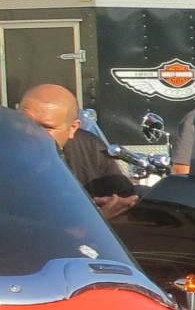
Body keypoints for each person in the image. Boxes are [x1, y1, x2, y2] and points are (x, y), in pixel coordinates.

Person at [16, 83, 139, 218]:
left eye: (45, 127)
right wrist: (94, 220)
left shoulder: (90, 150)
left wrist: (116, 206)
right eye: (23, 121)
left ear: (73, 128)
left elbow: (126, 202)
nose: (28, 131)